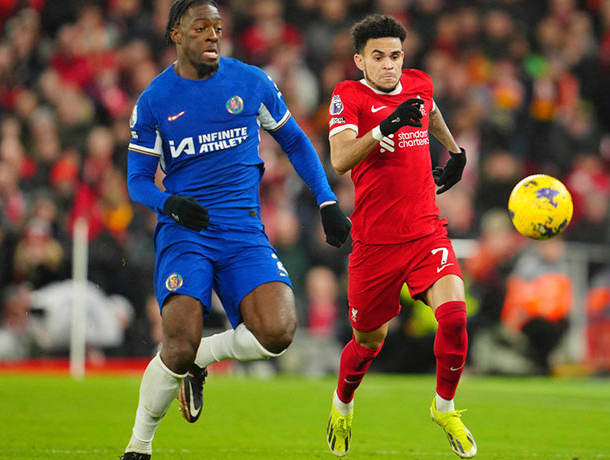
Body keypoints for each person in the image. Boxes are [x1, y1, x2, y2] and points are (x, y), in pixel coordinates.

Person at [121, 2, 351, 459]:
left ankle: (202, 360)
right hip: (186, 232)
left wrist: (326, 200)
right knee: (178, 344)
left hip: (243, 232)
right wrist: (170, 203)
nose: (212, 35)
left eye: (218, 28)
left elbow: (296, 141)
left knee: (280, 332)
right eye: (200, 27)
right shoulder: (154, 101)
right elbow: (136, 181)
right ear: (175, 34)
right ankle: (139, 445)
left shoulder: (250, 81)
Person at [325, 14, 475, 458]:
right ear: (360, 61)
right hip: (374, 244)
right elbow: (339, 159)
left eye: (394, 55)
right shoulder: (347, 96)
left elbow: (430, 110)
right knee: (369, 343)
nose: (388, 65)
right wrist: (385, 127)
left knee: (454, 316)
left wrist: (454, 150)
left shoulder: (419, 84)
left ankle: (444, 407)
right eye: (378, 57)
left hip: (426, 230)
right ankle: (342, 403)